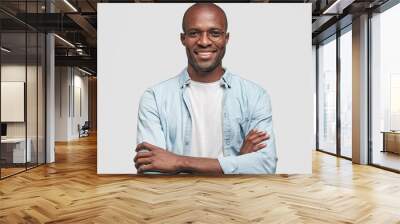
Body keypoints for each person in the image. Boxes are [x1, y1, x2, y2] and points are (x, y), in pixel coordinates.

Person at [134, 3, 277, 174]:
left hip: (235, 197)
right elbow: (150, 168)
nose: (204, 42)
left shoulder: (255, 95)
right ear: (183, 38)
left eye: (214, 33)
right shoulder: (155, 97)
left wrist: (179, 162)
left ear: (226, 38)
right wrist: (238, 162)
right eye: (194, 33)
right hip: (174, 198)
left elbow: (266, 164)